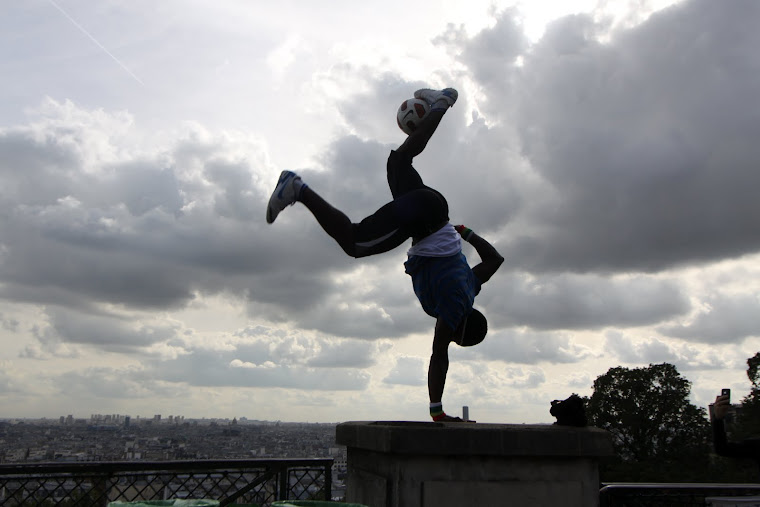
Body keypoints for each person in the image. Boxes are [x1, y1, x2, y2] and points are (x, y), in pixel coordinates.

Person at [266, 87, 504, 422]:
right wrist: (437, 411)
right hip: (422, 218)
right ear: (460, 332)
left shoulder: (469, 287)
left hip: (436, 208)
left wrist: (466, 234)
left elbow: (495, 260)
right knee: (354, 242)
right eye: (454, 338)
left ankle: (441, 104)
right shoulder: (454, 305)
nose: (447, 337)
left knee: (399, 159)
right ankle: (297, 189)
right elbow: (439, 356)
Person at [712, 392, 760, 467]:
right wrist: (718, 419)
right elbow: (723, 449)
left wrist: (718, 419)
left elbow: (722, 449)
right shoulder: (756, 446)